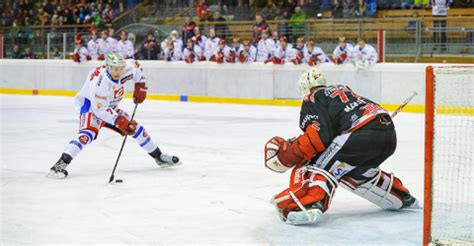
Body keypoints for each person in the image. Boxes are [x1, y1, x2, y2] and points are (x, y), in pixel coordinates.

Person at [264, 68, 419, 225]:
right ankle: (402, 197)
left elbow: (318, 138)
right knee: (358, 172)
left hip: (360, 134)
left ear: (306, 86)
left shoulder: (312, 98)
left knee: (317, 165)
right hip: (388, 136)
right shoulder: (342, 90)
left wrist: (291, 153)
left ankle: (308, 205)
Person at [48, 54, 181, 178]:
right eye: (115, 69)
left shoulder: (127, 68)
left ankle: (159, 157)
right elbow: (99, 110)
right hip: (91, 106)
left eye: (120, 68)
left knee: (135, 128)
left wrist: (140, 86)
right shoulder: (100, 83)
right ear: (108, 67)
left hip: (108, 106)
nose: (118, 72)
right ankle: (58, 166)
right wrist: (120, 121)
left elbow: (138, 66)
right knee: (87, 134)